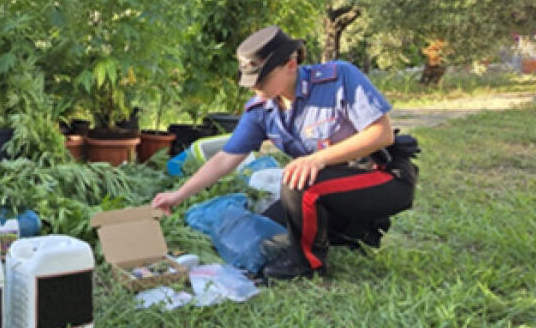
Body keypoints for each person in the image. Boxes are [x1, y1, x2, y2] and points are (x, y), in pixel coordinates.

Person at [152, 25, 418, 281]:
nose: (256, 88)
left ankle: (306, 263)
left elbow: (381, 133)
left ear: (290, 65)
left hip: (383, 176)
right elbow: (225, 158)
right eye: (250, 82)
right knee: (271, 232)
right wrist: (178, 195)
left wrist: (317, 159)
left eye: (262, 79)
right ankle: (353, 231)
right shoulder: (261, 110)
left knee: (297, 182)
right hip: (333, 185)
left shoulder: (339, 78)